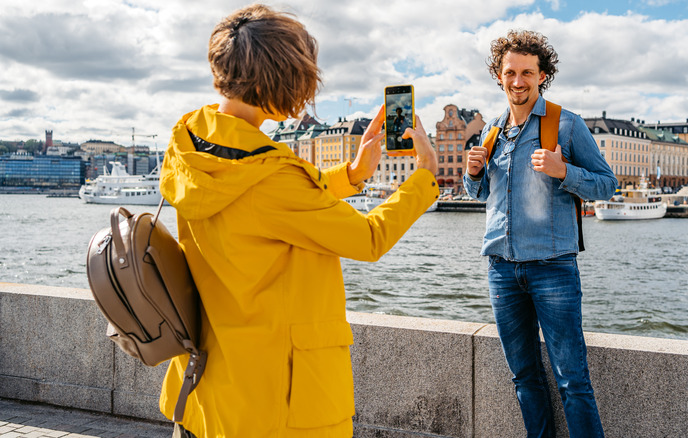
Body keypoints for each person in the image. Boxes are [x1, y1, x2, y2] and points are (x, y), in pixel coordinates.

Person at [157, 5, 439, 437]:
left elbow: (272, 205)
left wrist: (352, 174)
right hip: (275, 400)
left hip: (208, 387)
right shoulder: (271, 176)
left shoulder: (191, 141)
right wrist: (424, 177)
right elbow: (368, 238)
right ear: (277, 83)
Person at [463, 30, 618, 438]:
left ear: (542, 76)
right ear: (499, 77)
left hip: (553, 268)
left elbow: (608, 184)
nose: (518, 81)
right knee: (524, 378)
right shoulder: (492, 130)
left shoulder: (566, 124)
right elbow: (480, 194)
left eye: (527, 73)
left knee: (573, 382)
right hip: (501, 270)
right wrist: (473, 173)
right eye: (510, 73)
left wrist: (563, 170)